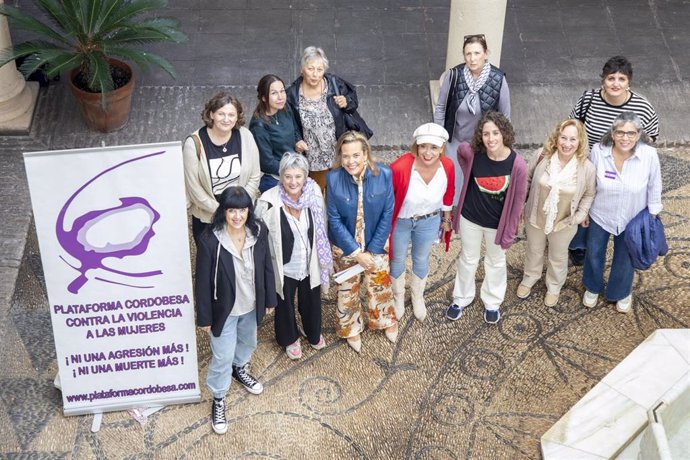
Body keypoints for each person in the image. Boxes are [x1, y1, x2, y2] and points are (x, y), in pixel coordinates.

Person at [194, 186, 277, 435]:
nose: (237, 216)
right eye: (232, 210)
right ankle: (219, 397)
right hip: (224, 310)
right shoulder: (210, 240)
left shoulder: (259, 232)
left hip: (250, 305)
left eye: (242, 210)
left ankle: (240, 369)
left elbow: (267, 266)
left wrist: (270, 298)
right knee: (221, 355)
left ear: (249, 211)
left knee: (248, 343)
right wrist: (205, 317)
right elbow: (202, 282)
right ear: (224, 211)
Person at [568, 56, 659, 265]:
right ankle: (578, 245)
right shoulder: (589, 99)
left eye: (621, 79)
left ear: (629, 82)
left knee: (611, 203)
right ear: (603, 80)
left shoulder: (642, 106)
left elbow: (652, 134)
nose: (615, 84)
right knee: (583, 204)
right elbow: (573, 125)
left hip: (623, 165)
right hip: (588, 164)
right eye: (611, 78)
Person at [446, 112, 527, 325]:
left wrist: (510, 232)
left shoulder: (517, 164)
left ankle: (492, 302)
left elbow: (518, 203)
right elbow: (462, 150)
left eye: (495, 133)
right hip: (470, 218)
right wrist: (466, 170)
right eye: (485, 134)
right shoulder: (474, 154)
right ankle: (461, 298)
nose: (491, 139)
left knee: (496, 262)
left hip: (496, 225)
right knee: (467, 259)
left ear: (504, 134)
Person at [582, 112, 662, 313]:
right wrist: (584, 211)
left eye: (631, 133)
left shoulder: (649, 155)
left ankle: (621, 291)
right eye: (620, 133)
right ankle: (592, 286)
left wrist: (653, 214)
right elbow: (590, 183)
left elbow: (655, 185)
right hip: (600, 214)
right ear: (613, 133)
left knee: (625, 257)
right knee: (593, 252)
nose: (625, 138)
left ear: (638, 135)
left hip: (632, 218)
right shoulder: (599, 151)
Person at [256, 152, 332, 360]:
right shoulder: (268, 200)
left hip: (309, 262)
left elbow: (322, 226)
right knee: (284, 303)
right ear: (281, 176)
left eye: (298, 176)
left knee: (312, 302)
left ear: (306, 176)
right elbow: (259, 238)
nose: (293, 182)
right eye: (288, 176)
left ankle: (312, 331)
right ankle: (290, 338)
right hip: (284, 265)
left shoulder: (314, 193)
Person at [327, 131, 398, 352]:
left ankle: (385, 319)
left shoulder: (384, 174)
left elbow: (388, 213)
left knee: (379, 282)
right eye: (346, 156)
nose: (351, 161)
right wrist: (356, 252)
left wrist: (373, 249)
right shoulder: (333, 178)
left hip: (375, 243)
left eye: (356, 155)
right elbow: (334, 219)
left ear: (366, 153)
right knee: (348, 288)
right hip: (345, 244)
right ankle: (350, 327)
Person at [516, 119, 596, 307]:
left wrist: (579, 216)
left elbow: (589, 194)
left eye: (573, 139)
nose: (567, 144)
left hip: (564, 221)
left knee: (558, 256)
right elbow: (526, 181)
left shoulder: (586, 168)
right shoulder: (542, 156)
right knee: (534, 250)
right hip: (536, 216)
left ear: (580, 142)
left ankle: (554, 286)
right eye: (563, 137)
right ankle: (530, 277)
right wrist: (520, 205)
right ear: (557, 137)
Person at [434, 34, 511, 204]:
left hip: (481, 144)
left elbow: (505, 117)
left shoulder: (498, 79)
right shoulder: (454, 75)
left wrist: (500, 147)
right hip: (454, 140)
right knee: (450, 182)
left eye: (477, 53)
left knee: (474, 184)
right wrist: (439, 139)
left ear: (486, 53)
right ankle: (448, 216)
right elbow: (441, 107)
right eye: (468, 54)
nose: (472, 58)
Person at [390, 123, 455, 321]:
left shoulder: (448, 166)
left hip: (429, 220)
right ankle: (398, 297)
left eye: (434, 147)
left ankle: (418, 297)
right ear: (416, 146)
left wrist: (446, 219)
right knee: (397, 259)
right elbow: (387, 198)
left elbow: (449, 192)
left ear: (442, 148)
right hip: (402, 221)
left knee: (421, 259)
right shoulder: (400, 167)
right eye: (423, 146)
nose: (428, 152)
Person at [183, 92, 261, 244]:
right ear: (211, 114)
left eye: (231, 115)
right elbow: (194, 188)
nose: (226, 119)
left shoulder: (245, 136)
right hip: (208, 217)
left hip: (240, 216)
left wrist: (239, 208)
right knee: (211, 263)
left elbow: (254, 176)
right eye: (221, 114)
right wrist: (223, 212)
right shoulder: (193, 144)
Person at [287, 46, 363, 191]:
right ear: (302, 69)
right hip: (313, 157)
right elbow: (290, 122)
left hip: (339, 153)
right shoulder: (292, 94)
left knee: (342, 192)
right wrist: (297, 139)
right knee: (317, 195)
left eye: (319, 70)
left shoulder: (334, 84)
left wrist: (346, 102)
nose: (315, 74)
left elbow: (353, 99)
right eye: (310, 69)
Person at [249, 74, 308, 193]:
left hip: (294, 172)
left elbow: (295, 129)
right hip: (275, 178)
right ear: (264, 98)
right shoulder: (259, 125)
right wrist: (291, 171)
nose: (280, 97)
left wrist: (298, 140)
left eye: (282, 91)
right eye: (274, 93)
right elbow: (267, 163)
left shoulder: (285, 108)